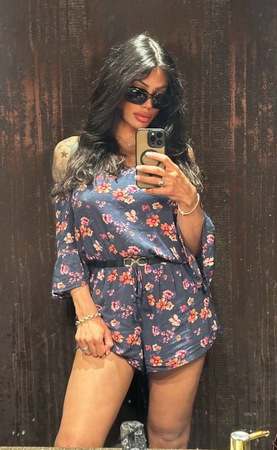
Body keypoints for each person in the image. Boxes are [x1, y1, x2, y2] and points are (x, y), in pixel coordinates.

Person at [51, 33, 221, 449]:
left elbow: (192, 248)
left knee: (168, 435)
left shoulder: (178, 155)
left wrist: (188, 198)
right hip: (108, 305)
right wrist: (86, 314)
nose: (148, 105)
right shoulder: (71, 153)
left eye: (159, 97)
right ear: (116, 87)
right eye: (137, 92)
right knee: (75, 442)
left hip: (176, 300)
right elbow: (67, 241)